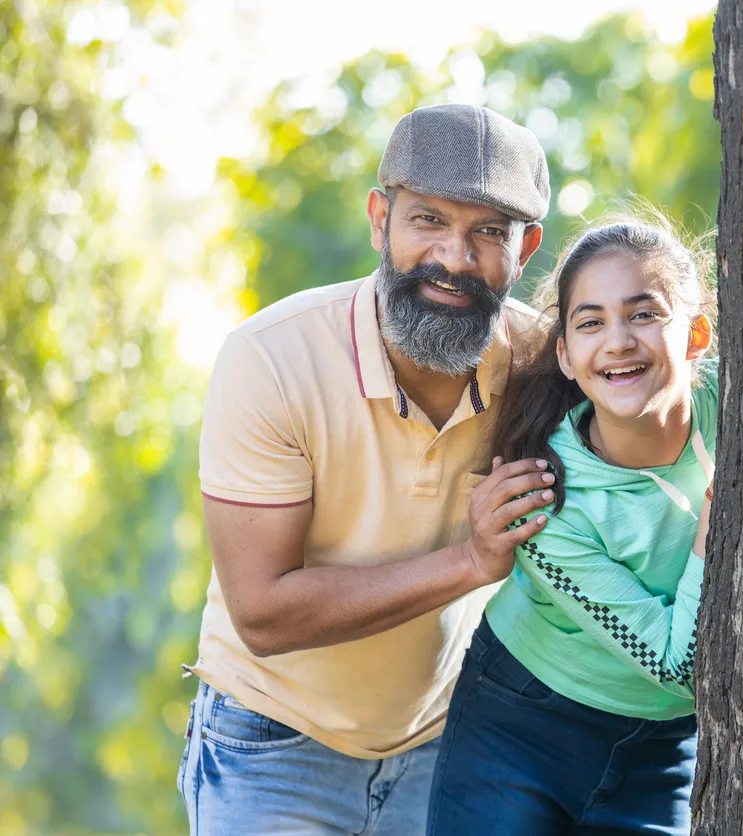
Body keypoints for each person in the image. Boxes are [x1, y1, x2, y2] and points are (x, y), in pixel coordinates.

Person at [177, 103, 560, 834]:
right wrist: (470, 562)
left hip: (443, 744)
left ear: (526, 249)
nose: (455, 258)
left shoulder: (547, 367)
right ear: (380, 220)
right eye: (429, 221)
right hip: (271, 749)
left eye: (489, 232)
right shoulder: (272, 359)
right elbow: (262, 612)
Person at [426, 217, 718, 835]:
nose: (618, 342)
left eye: (644, 314)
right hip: (521, 725)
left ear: (696, 334)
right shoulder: (545, 499)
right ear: (564, 354)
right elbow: (677, 665)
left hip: (665, 747)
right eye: (590, 323)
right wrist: (716, 533)